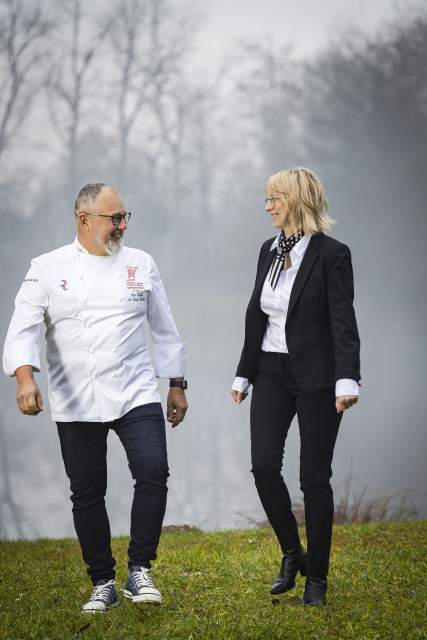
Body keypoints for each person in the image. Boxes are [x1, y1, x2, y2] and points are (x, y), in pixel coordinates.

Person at [3, 183, 188, 613]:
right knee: (87, 492)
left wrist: (176, 382)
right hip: (75, 396)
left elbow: (163, 328)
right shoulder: (46, 268)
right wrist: (25, 379)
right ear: (84, 220)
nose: (122, 225)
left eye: (125, 217)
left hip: (135, 389)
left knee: (153, 472)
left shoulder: (141, 264)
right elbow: (24, 328)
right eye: (114, 218)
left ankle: (140, 570)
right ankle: (102, 581)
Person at [231, 167, 360, 605]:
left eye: (275, 198)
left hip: (318, 378)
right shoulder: (268, 250)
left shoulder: (331, 255)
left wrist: (348, 379)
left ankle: (317, 580)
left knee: (313, 478)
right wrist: (244, 373)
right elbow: (257, 315)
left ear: (298, 201)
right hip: (271, 370)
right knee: (264, 466)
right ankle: (292, 552)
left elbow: (344, 323)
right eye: (267, 199)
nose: (267, 206)